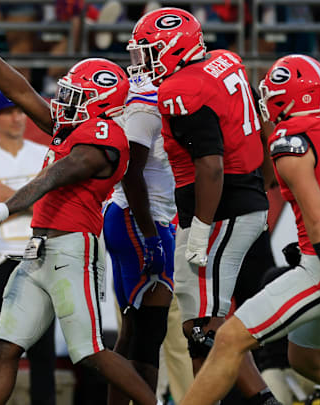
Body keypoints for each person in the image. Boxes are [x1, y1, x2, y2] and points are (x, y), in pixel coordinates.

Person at [0, 19, 165, 405]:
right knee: (4, 348)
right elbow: (24, 95)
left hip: (73, 251)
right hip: (39, 249)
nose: (65, 101)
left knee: (91, 352)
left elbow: (55, 175)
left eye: (77, 95)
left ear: (101, 103)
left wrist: (4, 207)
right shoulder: (78, 126)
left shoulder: (106, 138)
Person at [179, 53, 320, 405]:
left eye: (273, 92)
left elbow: (318, 219)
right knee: (310, 361)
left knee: (228, 338)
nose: (267, 99)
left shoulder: (291, 141)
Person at [128, 8, 280, 405]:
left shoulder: (183, 89)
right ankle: (264, 400)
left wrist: (199, 227)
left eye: (150, 51)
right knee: (205, 323)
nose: (143, 62)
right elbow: (261, 124)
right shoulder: (225, 61)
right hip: (237, 200)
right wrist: (262, 183)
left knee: (202, 330)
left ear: (175, 48)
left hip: (220, 209)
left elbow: (210, 167)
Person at [0, 90, 56, 405]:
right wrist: (28, 198)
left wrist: (7, 199)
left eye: (20, 111)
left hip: (37, 257)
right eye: (8, 112)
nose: (17, 118)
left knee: (43, 351)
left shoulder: (43, 152)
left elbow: (53, 205)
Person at [102, 70, 177, 405]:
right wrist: (150, 236)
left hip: (138, 216)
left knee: (133, 330)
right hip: (141, 219)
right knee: (148, 334)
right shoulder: (148, 104)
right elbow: (132, 174)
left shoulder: (153, 95)